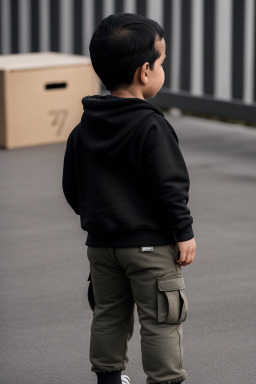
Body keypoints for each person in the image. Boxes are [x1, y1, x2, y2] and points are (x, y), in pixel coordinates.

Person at [62, 12, 196, 384]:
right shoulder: (152, 126)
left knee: (108, 313)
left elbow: (72, 186)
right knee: (161, 319)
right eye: (162, 62)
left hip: (102, 246)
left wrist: (100, 218)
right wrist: (182, 231)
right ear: (144, 72)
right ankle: (165, 380)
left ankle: (109, 378)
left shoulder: (84, 126)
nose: (163, 69)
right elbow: (170, 186)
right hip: (150, 246)